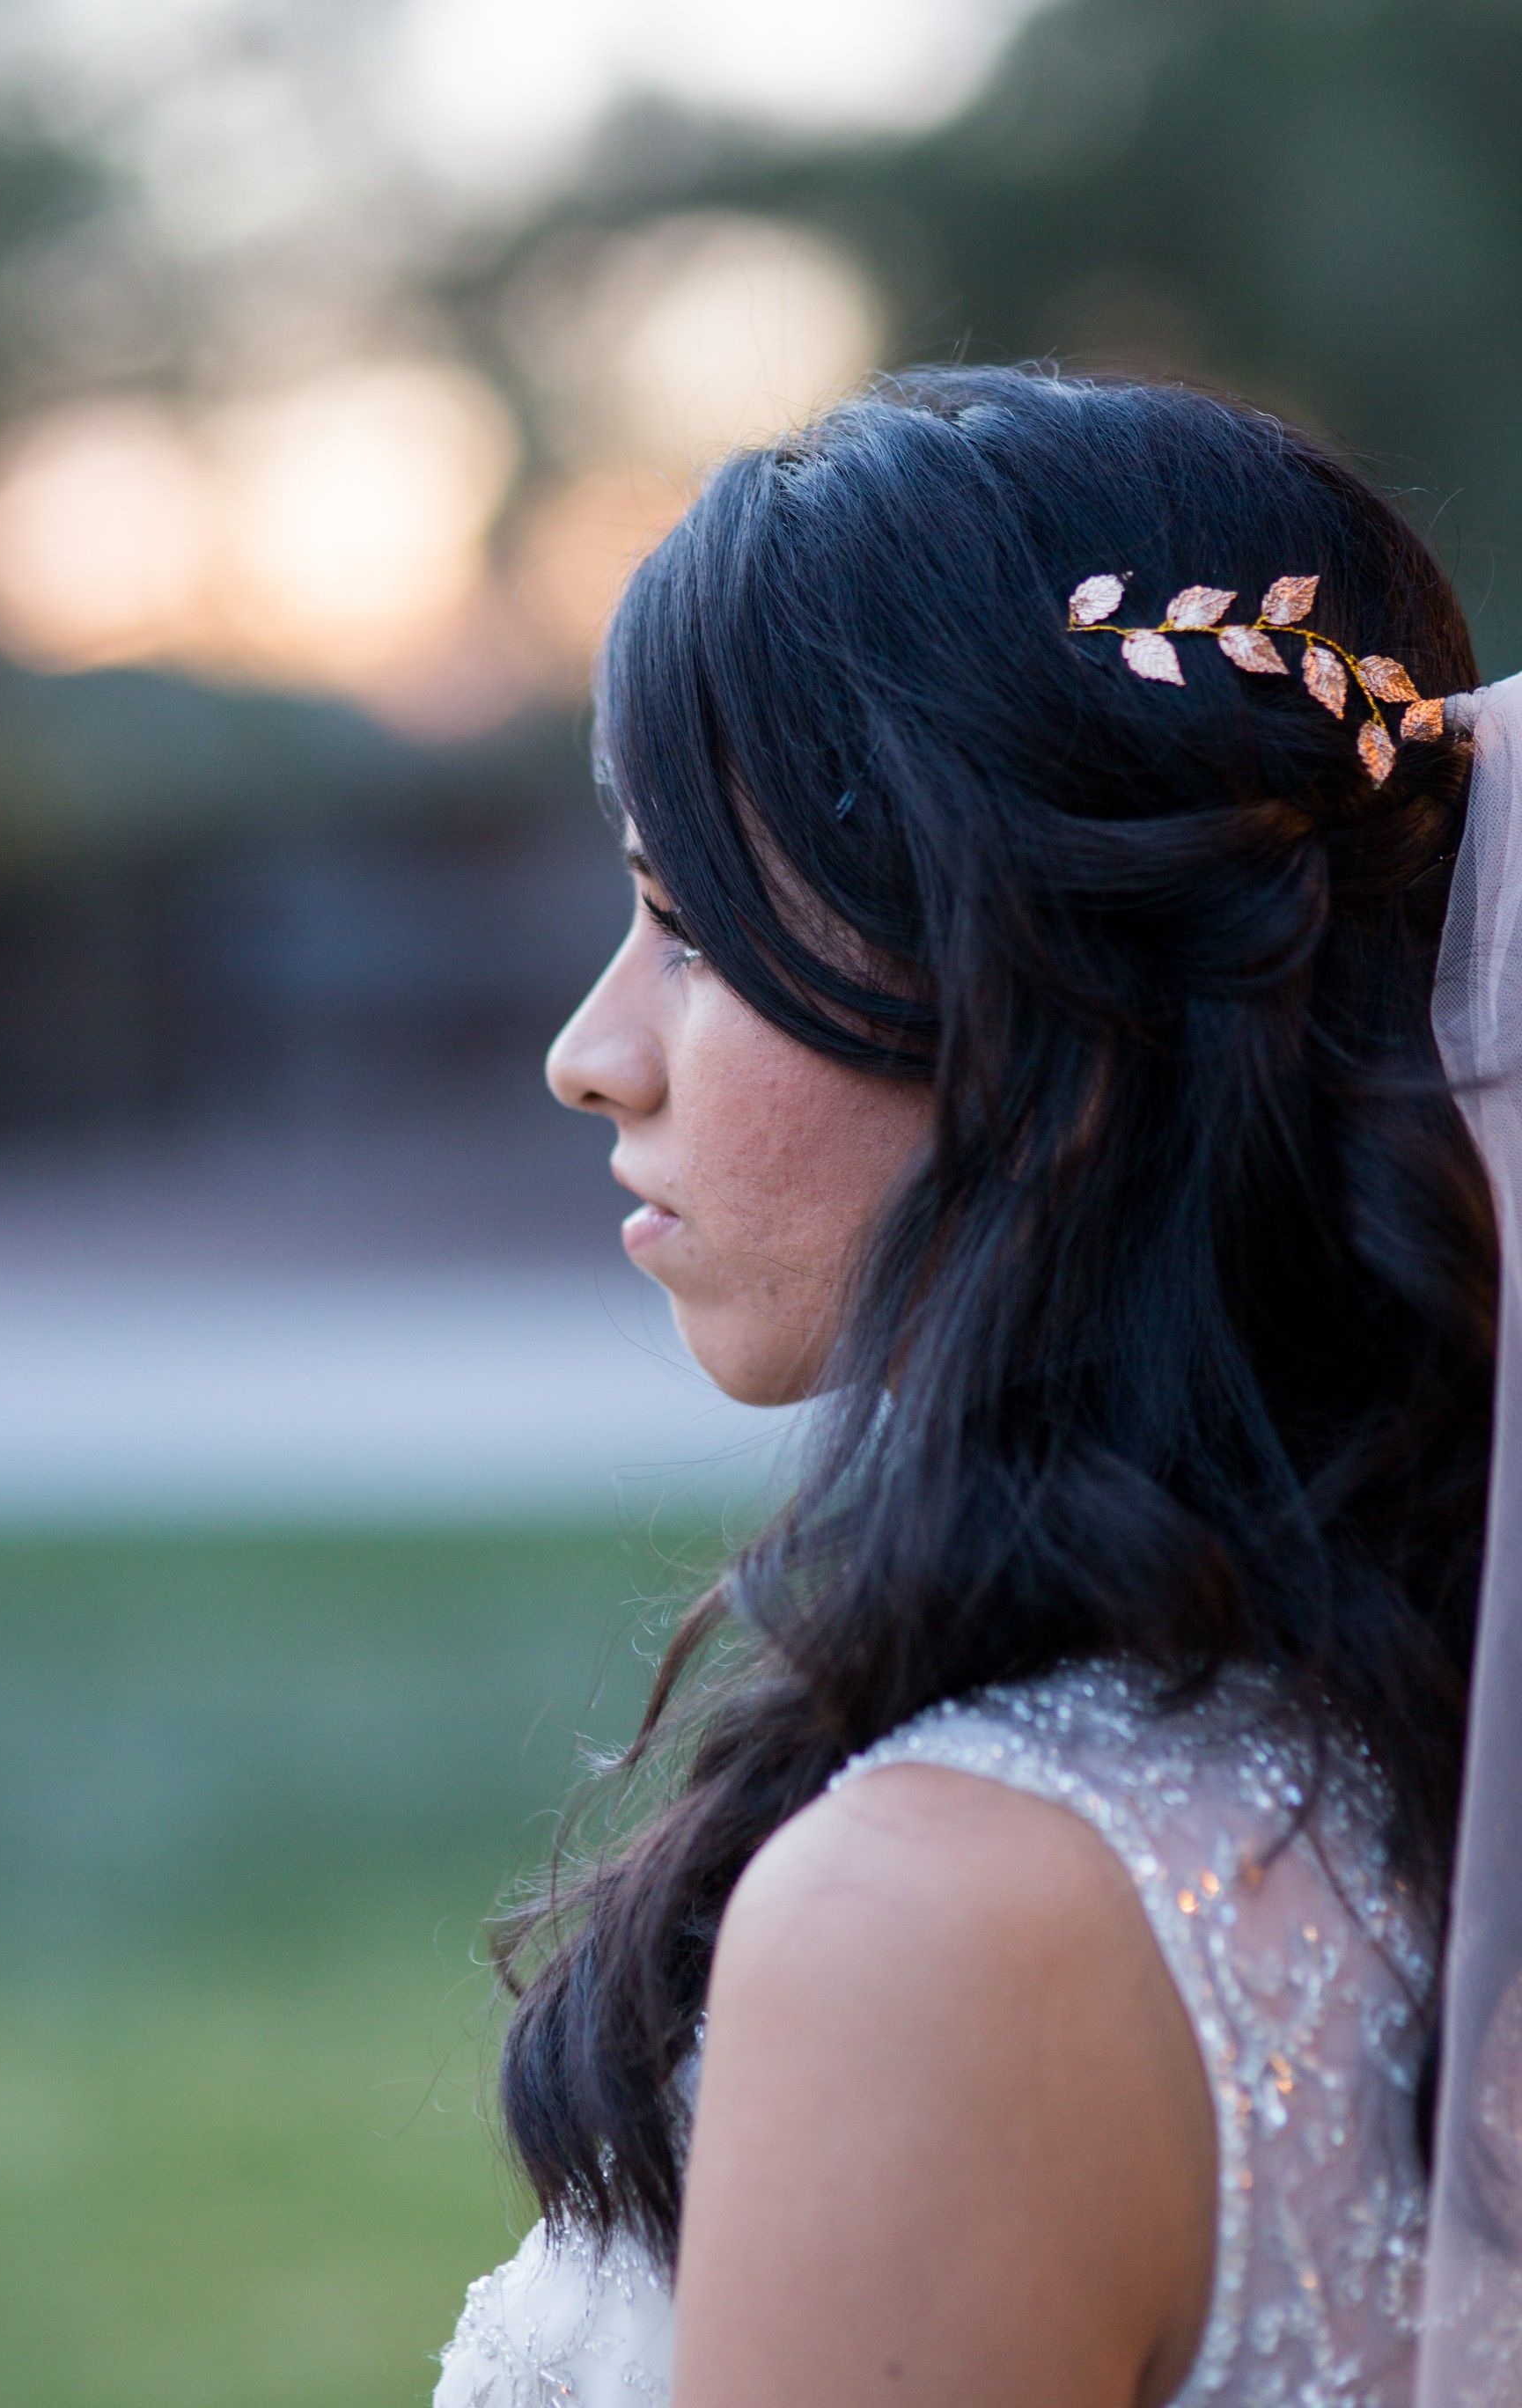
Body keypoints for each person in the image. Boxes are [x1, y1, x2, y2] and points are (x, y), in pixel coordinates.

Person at [432, 364, 1500, 2407]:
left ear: (1043, 1013)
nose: (593, 1050)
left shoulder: (947, 1928)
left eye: (689, 928)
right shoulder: (1446, 1766)